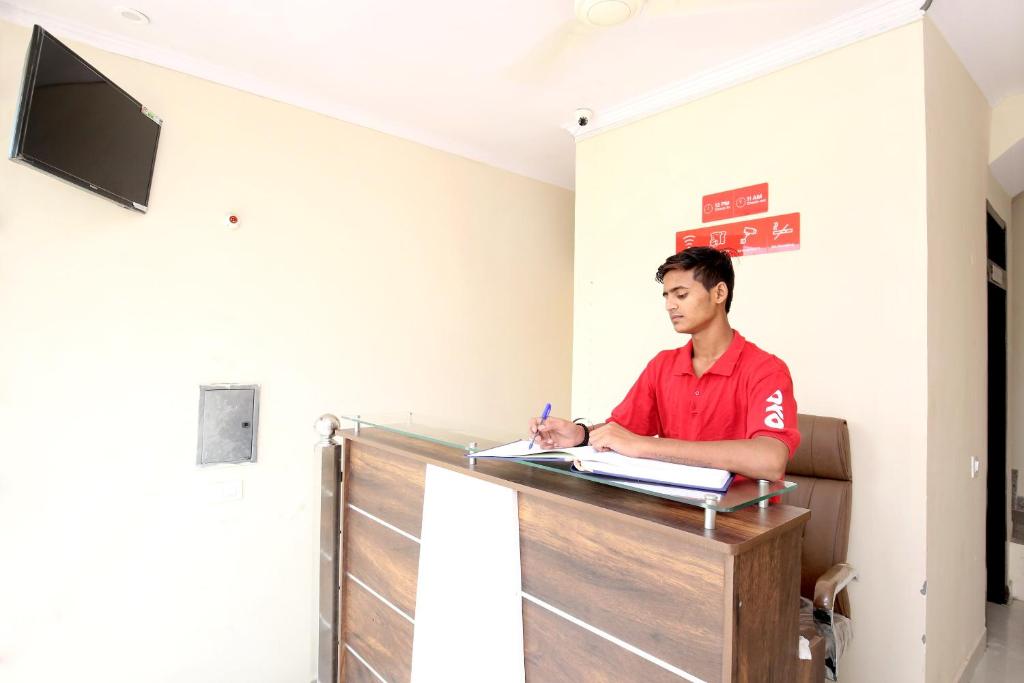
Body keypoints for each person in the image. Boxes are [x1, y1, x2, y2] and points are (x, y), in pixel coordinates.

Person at [529, 246, 799, 482]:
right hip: (671, 505)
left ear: (719, 293)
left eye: (680, 295)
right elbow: (621, 431)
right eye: (666, 296)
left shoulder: (766, 370)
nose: (670, 305)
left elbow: (770, 460)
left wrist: (646, 447)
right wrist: (580, 435)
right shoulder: (663, 365)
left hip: (742, 519)